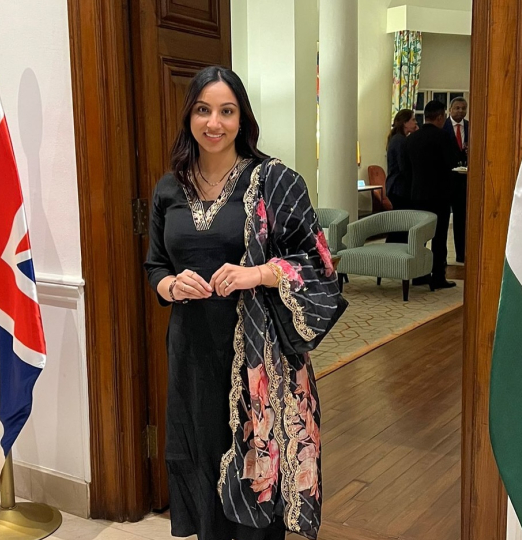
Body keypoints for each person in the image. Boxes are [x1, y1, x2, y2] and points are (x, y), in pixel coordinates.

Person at [144, 66, 341, 540]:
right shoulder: (168, 188)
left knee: (256, 474)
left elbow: (318, 263)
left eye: (226, 111)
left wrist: (255, 273)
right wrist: (171, 286)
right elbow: (153, 265)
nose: (214, 123)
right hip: (191, 353)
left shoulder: (272, 181)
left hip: (255, 360)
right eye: (204, 110)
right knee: (203, 461)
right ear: (190, 115)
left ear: (242, 119)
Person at [402, 100, 457, 290]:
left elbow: (407, 169)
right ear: (441, 116)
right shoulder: (443, 137)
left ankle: (419, 275)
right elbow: (452, 161)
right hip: (439, 195)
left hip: (417, 194)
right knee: (439, 237)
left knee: (420, 237)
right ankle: (438, 277)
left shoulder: (411, 139)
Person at [443, 97, 469, 263]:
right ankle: (442, 258)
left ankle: (462, 255)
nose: (460, 111)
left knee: (461, 220)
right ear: (450, 110)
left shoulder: (470, 126)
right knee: (443, 221)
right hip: (447, 180)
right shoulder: (443, 127)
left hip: (465, 180)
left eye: (463, 108)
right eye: (457, 108)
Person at [385, 108, 418, 210]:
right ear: (405, 123)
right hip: (400, 188)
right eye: (413, 120)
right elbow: (404, 166)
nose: (416, 122)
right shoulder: (400, 140)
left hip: (396, 187)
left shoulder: (398, 138)